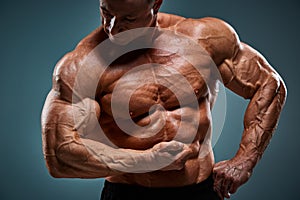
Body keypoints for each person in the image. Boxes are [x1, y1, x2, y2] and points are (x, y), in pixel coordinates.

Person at [41, 0, 287, 199]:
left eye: (128, 19)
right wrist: (147, 160)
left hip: (201, 191)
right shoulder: (82, 65)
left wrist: (245, 160)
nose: (113, 28)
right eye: (106, 13)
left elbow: (269, 85)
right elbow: (59, 156)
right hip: (129, 194)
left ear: (155, 5)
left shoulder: (203, 39)